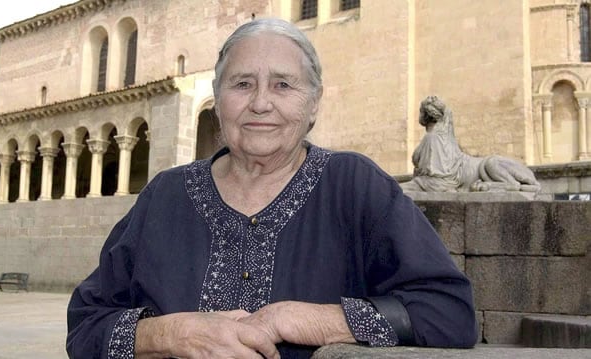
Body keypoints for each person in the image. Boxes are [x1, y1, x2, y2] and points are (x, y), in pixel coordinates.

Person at [67, 18, 477, 359]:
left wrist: (305, 320)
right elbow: (85, 326)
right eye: (242, 84)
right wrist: (173, 334)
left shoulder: (354, 186)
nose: (261, 103)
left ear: (313, 103)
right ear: (217, 99)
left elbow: (449, 313)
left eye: (283, 85)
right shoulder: (166, 195)